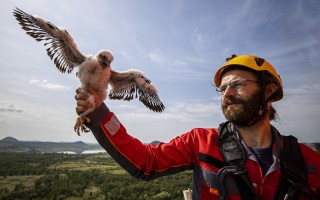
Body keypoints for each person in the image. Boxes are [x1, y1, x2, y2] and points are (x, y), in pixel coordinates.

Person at [75, 54, 320, 199]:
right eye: (222, 88)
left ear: (268, 90)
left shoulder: (309, 162)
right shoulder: (200, 143)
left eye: (237, 84)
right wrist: (99, 112)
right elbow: (145, 162)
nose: (227, 93)